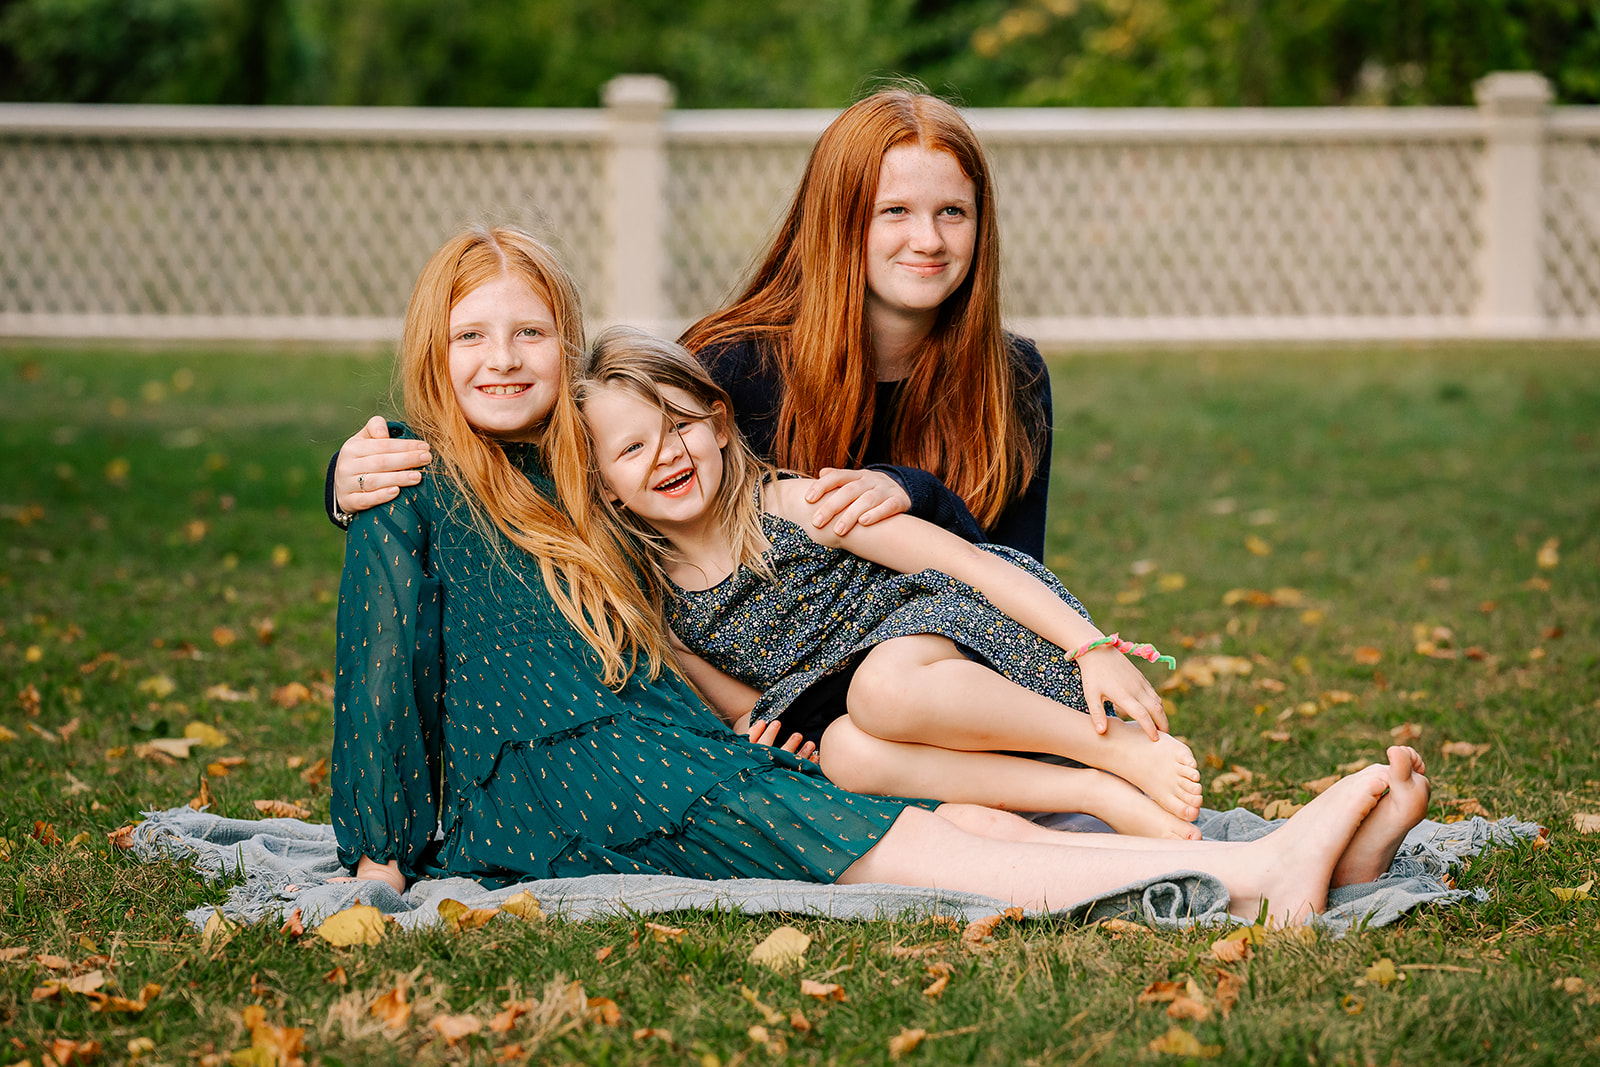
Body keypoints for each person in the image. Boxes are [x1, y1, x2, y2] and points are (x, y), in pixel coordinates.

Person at [331, 224, 1430, 928]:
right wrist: (379, 859)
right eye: (472, 335)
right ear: (434, 349)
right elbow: (381, 667)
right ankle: (1260, 869)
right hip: (560, 782)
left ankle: (1277, 865)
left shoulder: (580, 471)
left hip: (698, 737)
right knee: (873, 830)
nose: (502, 356)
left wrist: (752, 718)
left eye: (528, 331)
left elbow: (657, 642)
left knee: (931, 818)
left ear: (563, 350)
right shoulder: (405, 470)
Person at [323, 87, 1050, 563]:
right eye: (894, 211)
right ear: (836, 220)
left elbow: (1017, 577)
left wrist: (914, 491)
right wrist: (346, 479)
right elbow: (581, 462)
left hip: (948, 686)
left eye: (951, 211)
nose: (927, 239)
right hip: (783, 712)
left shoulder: (1012, 377)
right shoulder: (734, 364)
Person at [576, 327, 1201, 838]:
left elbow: (974, 564)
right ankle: (1093, 793)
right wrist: (766, 742)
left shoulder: (804, 506)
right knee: (847, 753)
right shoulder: (665, 606)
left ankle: (1117, 751)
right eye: (632, 449)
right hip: (909, 732)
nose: (666, 455)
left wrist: (1092, 647)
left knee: (881, 687)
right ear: (604, 484)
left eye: (679, 426)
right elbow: (744, 712)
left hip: (983, 648)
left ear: (716, 425)